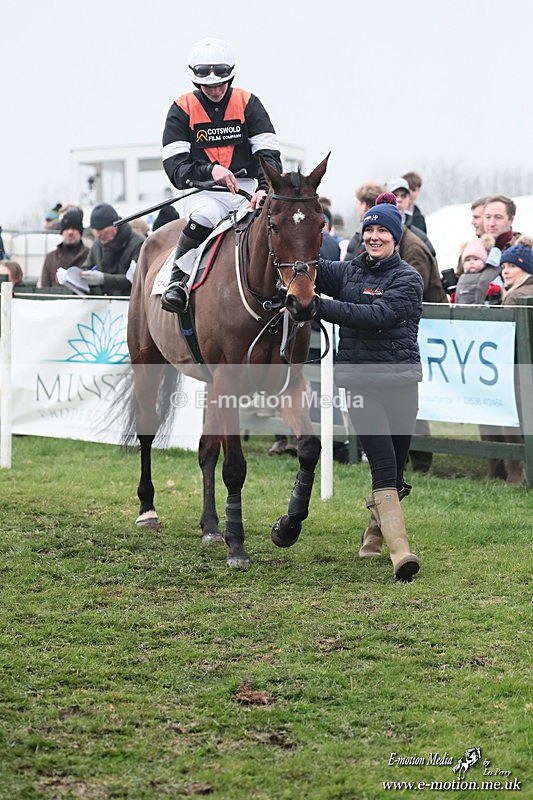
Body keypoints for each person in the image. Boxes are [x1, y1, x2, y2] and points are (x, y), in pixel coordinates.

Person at [314, 193, 423, 582]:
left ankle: (373, 536)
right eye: (369, 230)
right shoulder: (346, 271)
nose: (374, 236)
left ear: (395, 237)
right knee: (382, 463)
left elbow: (377, 316)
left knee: (396, 469)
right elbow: (307, 263)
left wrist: (319, 306)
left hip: (402, 383)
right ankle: (401, 553)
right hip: (361, 383)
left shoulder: (408, 278)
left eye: (382, 230)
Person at [161, 36, 282, 313]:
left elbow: (268, 156)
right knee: (205, 217)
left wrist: (264, 188)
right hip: (205, 192)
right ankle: (177, 282)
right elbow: (176, 168)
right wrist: (210, 171)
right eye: (208, 86)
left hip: (248, 190)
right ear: (196, 81)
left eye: (220, 84)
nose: (215, 90)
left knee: (276, 224)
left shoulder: (249, 103)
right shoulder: (181, 109)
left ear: (231, 76)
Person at [483, 239, 533, 486]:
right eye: (503, 266)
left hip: (513, 366)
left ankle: (514, 474)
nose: (505, 271)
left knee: (510, 420)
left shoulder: (515, 297)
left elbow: (504, 335)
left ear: (526, 269)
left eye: (511, 266)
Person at [82, 203, 145, 296]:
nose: (99, 235)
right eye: (96, 231)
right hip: (103, 304)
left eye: (102, 230)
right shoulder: (97, 244)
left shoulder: (138, 244)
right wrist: (80, 275)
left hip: (128, 303)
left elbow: (135, 278)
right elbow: (87, 266)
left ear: (116, 225)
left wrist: (103, 279)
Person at [39, 209, 89, 288]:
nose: (70, 232)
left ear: (80, 232)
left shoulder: (90, 256)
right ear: (62, 232)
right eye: (66, 229)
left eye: (74, 228)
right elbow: (44, 289)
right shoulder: (51, 258)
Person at [454, 234, 502, 305]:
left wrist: (495, 291)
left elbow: (499, 289)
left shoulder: (491, 275)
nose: (471, 262)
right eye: (468, 260)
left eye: (476, 259)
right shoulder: (462, 277)